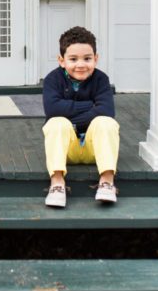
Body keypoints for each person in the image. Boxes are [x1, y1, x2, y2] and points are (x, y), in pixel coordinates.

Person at [42, 26, 119, 208]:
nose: (81, 64)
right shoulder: (52, 79)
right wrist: (90, 106)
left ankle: (107, 181)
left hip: (95, 149)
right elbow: (52, 109)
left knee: (106, 123)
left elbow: (107, 110)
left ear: (96, 59)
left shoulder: (101, 79)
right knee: (56, 123)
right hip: (67, 149)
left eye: (87, 58)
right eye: (73, 59)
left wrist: (70, 115)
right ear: (61, 61)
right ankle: (57, 183)